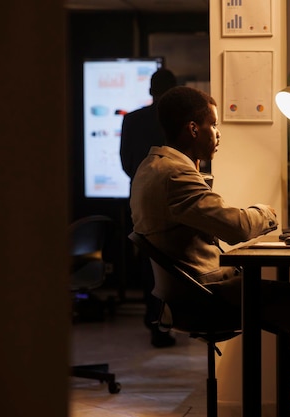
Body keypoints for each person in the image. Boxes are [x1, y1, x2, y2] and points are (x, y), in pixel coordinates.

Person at [130, 86, 290, 417]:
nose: (218, 134)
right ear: (194, 128)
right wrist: (267, 211)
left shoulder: (151, 166)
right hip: (211, 295)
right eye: (214, 125)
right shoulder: (175, 175)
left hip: (194, 292)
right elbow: (236, 227)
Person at [120, 68, 178, 348]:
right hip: (173, 198)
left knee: (147, 261)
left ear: (150, 91)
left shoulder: (132, 120)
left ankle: (153, 319)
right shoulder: (177, 121)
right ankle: (167, 320)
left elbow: (126, 163)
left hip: (139, 198)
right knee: (172, 260)